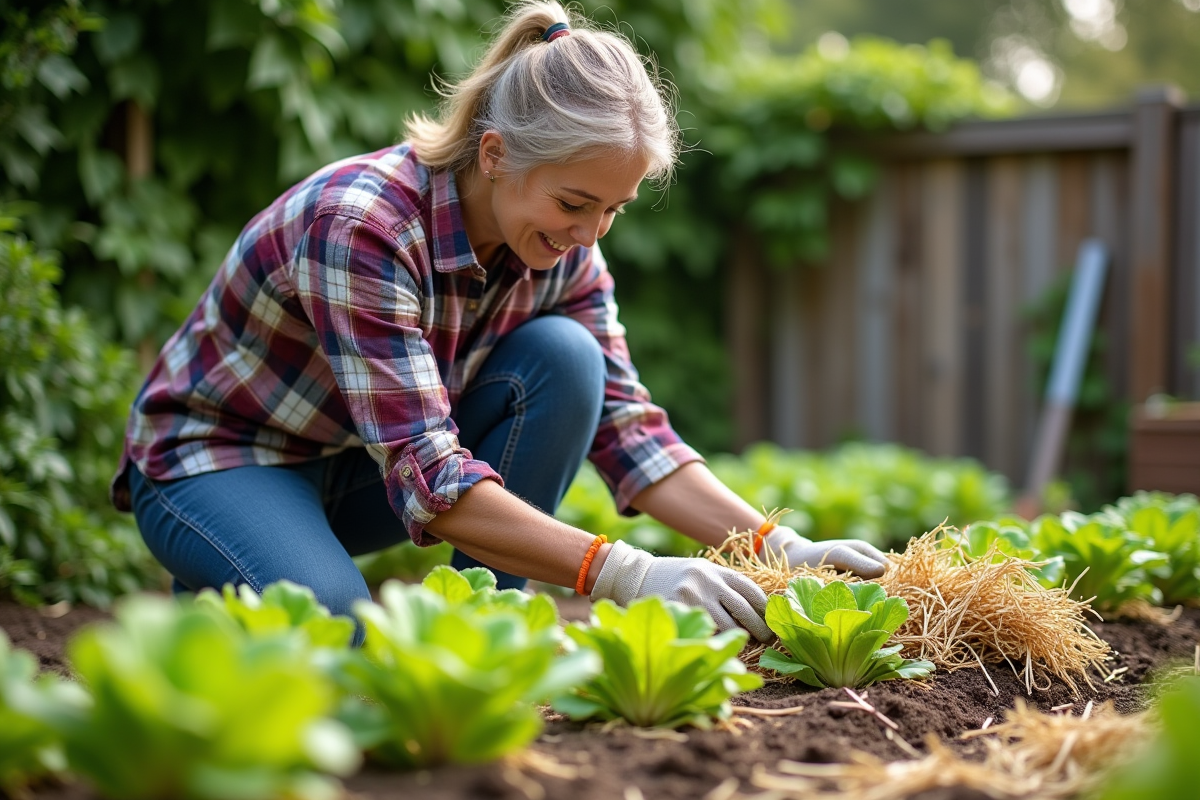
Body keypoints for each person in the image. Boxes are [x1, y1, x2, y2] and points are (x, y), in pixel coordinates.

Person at [111, 0, 888, 645]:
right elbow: (431, 478)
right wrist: (626, 571)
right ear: (493, 154)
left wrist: (774, 545)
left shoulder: (561, 249)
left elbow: (629, 428)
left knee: (567, 357)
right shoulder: (364, 226)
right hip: (220, 462)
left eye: (613, 210)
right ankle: (225, 576)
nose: (591, 234)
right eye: (575, 203)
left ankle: (491, 625)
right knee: (336, 633)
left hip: (354, 468)